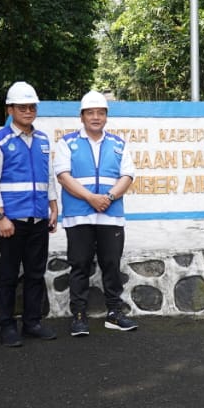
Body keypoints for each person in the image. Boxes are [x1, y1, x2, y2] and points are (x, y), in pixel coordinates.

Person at [54, 91, 138, 336]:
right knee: (79, 265)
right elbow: (63, 176)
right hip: (79, 215)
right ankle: (79, 316)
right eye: (90, 113)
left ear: (106, 117)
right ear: (82, 116)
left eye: (100, 113)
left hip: (110, 215)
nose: (95, 117)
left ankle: (114, 312)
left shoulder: (119, 144)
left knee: (111, 265)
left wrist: (109, 197)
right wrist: (91, 198)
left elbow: (127, 176)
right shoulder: (67, 143)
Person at [0, 82, 59, 346]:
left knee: (36, 274)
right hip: (11, 220)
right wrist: (0, 217)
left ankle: (32, 322)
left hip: (38, 217)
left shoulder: (42, 140)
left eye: (31, 107)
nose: (28, 111)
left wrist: (53, 205)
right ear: (10, 109)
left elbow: (47, 176)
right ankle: (6, 326)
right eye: (22, 107)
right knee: (9, 275)